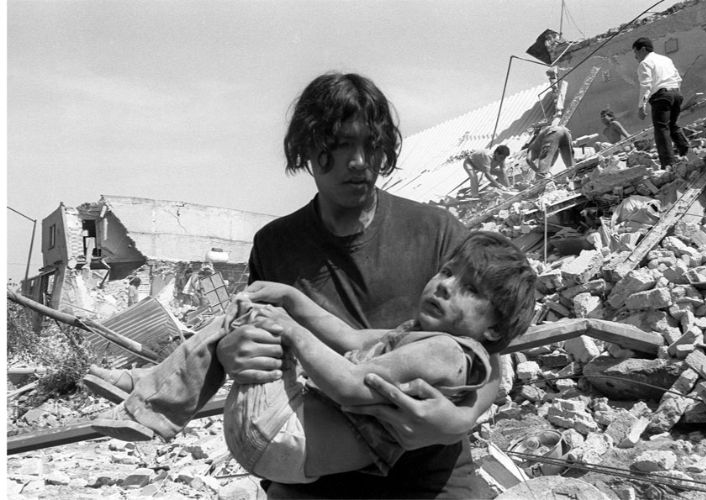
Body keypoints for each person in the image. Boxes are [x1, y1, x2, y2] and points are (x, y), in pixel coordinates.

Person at [89, 72, 501, 499]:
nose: (359, 161)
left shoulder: (437, 232)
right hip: (314, 469)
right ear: (306, 147)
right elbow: (263, 340)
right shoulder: (276, 244)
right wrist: (236, 352)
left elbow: (489, 352)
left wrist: (462, 419)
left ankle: (149, 390)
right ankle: (152, 393)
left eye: (371, 145)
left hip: (429, 475)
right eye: (340, 145)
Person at [92, 232, 536, 486]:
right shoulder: (426, 339)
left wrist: (289, 326)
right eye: (447, 272)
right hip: (285, 452)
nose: (444, 285)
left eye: (471, 290)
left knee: (253, 318)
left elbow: (350, 385)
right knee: (262, 314)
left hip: (280, 434)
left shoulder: (445, 351)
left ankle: (151, 397)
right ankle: (149, 388)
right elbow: (349, 336)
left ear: (495, 329)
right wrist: (291, 299)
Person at [633, 37, 690, 169]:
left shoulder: (644, 63)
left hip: (661, 97)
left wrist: (641, 106)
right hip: (675, 93)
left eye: (635, 52)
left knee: (661, 129)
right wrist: (676, 93)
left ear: (642, 49)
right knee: (672, 125)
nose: (635, 56)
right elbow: (678, 78)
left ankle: (668, 163)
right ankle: (686, 150)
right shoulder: (666, 59)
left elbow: (646, 85)